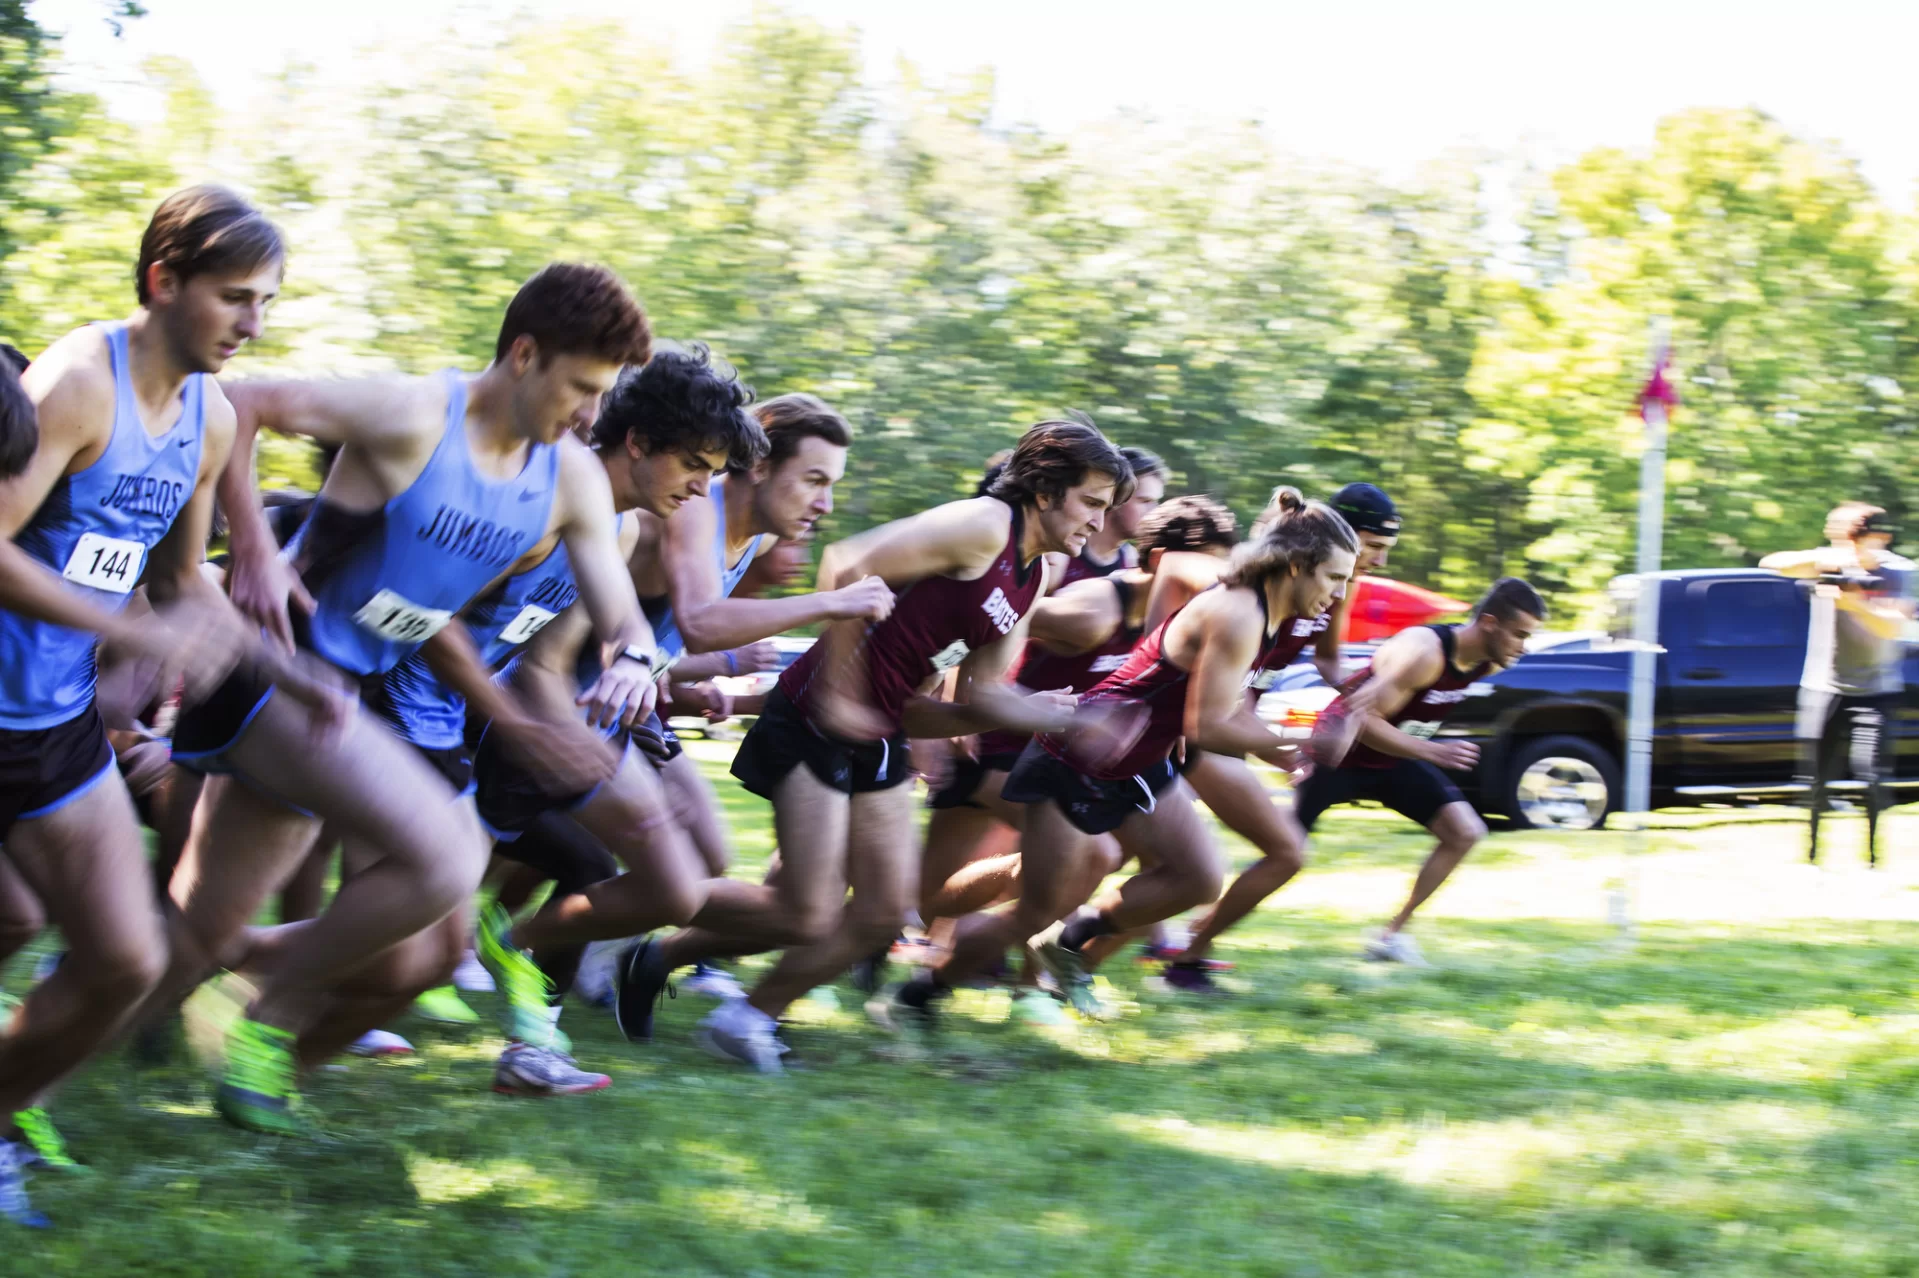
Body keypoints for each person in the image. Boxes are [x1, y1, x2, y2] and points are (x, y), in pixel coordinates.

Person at [158, 262, 657, 1135]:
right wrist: (252, 549)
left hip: (376, 699)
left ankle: (77, 1047)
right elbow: (236, 405)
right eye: (581, 388)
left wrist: (635, 661)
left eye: (602, 394)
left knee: (376, 953)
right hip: (290, 671)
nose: (589, 414)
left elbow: (621, 613)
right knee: (445, 858)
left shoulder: (570, 477)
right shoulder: (413, 412)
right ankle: (264, 1018)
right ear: (524, 355)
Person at [0, 186, 326, 1222]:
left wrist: (293, 672)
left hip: (49, 728)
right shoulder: (74, 384)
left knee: (126, 958)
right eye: (235, 298)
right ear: (162, 282)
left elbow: (188, 584)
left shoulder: (212, 422)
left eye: (265, 301)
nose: (254, 324)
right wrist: (128, 631)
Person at [629, 418, 1131, 1072]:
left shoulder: (1032, 577)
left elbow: (980, 695)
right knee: (802, 909)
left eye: (1106, 508)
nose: (1098, 521)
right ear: (1044, 492)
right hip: (816, 715)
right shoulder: (983, 525)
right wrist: (841, 687)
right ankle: (626, 919)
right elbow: (847, 562)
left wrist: (1064, 718)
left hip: (882, 730)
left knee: (879, 913)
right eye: (1091, 502)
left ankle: (741, 1015)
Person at [878, 488, 1360, 1025]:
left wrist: (1158, 662)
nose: (1340, 594)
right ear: (1295, 565)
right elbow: (1211, 724)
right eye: (1335, 578)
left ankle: (1067, 940)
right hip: (1077, 757)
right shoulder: (1240, 611)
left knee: (1197, 878)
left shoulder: (1271, 606)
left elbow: (1207, 693)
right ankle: (924, 989)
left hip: (1141, 759)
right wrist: (1297, 744)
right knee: (1035, 906)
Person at [592, 391, 892, 1017]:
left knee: (704, 852)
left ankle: (602, 942)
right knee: (625, 865)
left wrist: (697, 682)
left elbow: (673, 639)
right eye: (814, 479)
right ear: (758, 464)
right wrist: (831, 603)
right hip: (556, 688)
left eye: (832, 485)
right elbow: (700, 621)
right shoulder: (701, 505)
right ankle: (532, 942)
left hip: (626, 702)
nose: (825, 503)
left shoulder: (750, 539)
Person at [914, 494, 1240, 1018]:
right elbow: (989, 616)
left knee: (1097, 865)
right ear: (1164, 563)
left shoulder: (1180, 624)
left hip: (1071, 755)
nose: (1220, 590)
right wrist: (947, 697)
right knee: (1088, 859)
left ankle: (1025, 978)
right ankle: (924, 941)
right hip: (998, 745)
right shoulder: (1094, 610)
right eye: (1213, 573)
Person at [1162, 481, 1403, 989]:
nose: (1379, 561)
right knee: (1187, 862)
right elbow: (1170, 566)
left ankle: (1170, 952)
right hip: (1196, 725)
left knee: (1230, 859)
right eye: (1375, 547)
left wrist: (1362, 691)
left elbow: (1329, 659)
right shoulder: (1262, 580)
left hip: (1226, 728)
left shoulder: (1336, 590)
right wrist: (1155, 654)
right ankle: (1091, 946)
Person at [1303, 576, 1544, 965]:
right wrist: (1432, 751)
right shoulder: (1423, 653)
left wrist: (1423, 749)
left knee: (1464, 832)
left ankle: (1389, 937)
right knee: (1283, 853)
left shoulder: (1487, 662)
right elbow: (1362, 720)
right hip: (1339, 755)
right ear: (1488, 623)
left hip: (1391, 759)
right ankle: (1198, 931)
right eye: (1519, 634)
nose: (1523, 646)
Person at [1761, 504, 1916, 864]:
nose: (1859, 550)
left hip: (1878, 692)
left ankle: (1874, 859)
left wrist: (1853, 601)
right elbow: (1771, 563)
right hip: (1825, 687)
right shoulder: (1830, 563)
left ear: (1882, 538)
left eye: (1865, 541)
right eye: (1850, 541)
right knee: (1816, 781)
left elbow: (1892, 627)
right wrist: (1823, 560)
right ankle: (1813, 857)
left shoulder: (1900, 573)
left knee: (1873, 779)